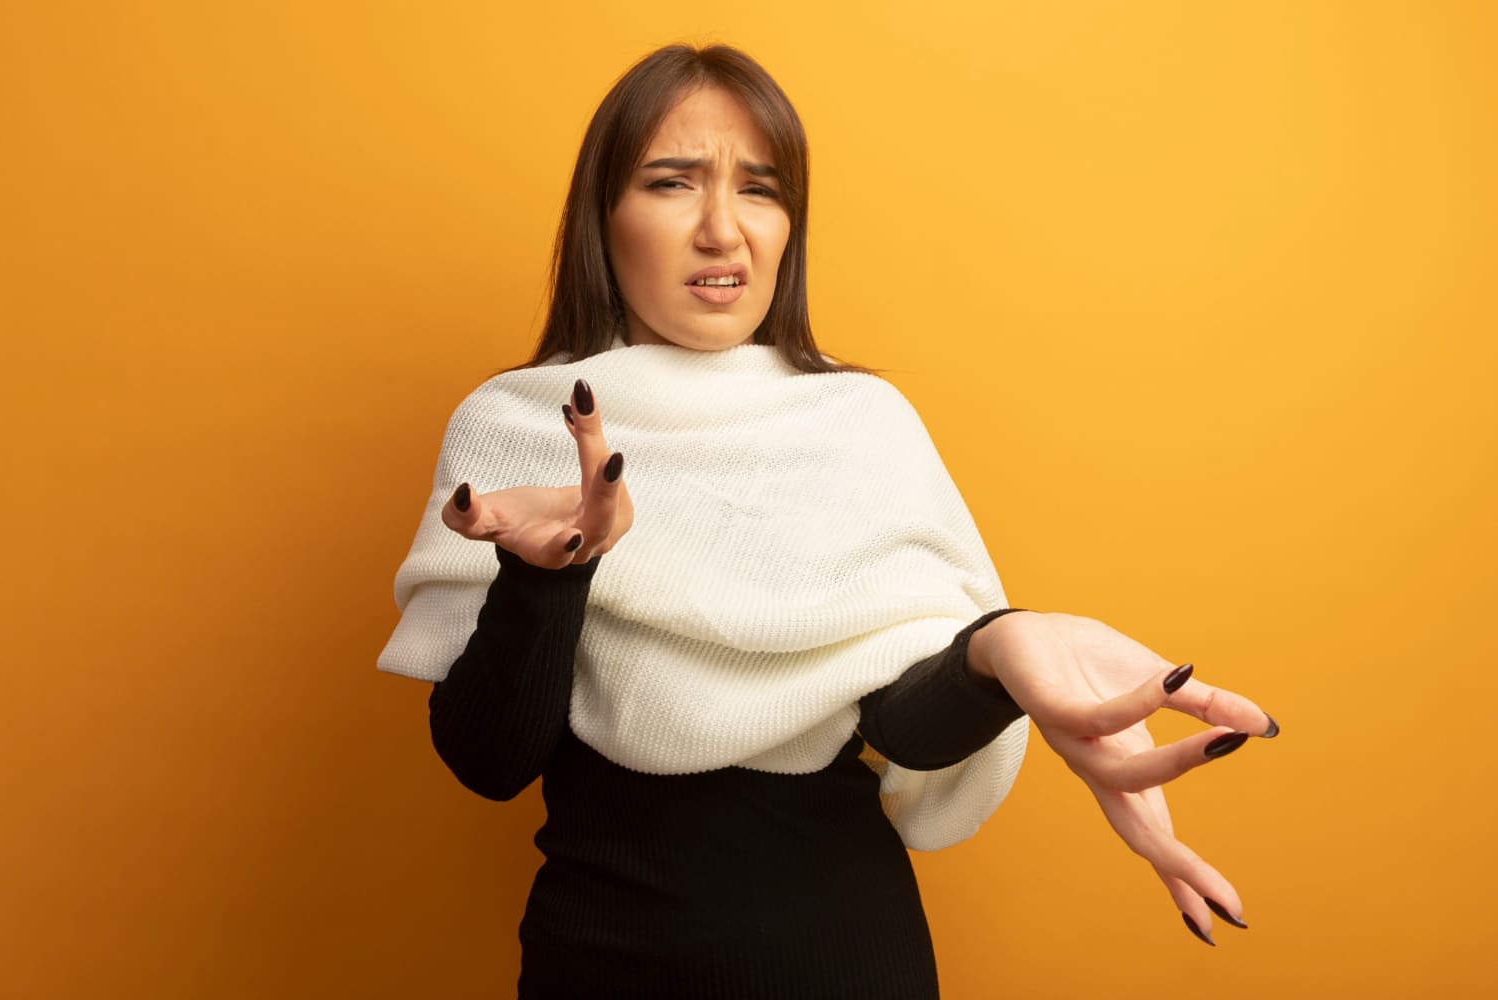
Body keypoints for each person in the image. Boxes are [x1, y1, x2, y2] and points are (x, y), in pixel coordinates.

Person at [377, 43, 1277, 999]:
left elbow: (902, 723)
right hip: (599, 961)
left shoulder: (860, 424)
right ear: (604, 216)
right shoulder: (517, 427)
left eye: (760, 190)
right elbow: (489, 761)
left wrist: (995, 651)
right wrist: (550, 573)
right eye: (672, 182)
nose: (723, 230)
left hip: (849, 958)